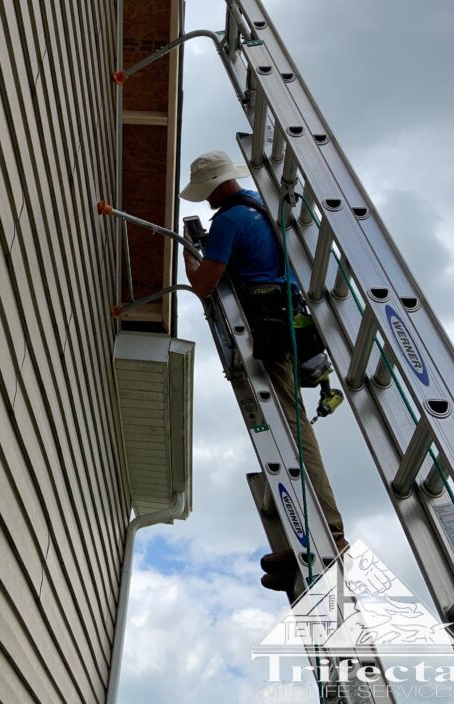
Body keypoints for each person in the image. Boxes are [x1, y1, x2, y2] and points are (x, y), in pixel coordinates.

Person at [180, 149, 348, 592]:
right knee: (287, 429)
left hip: (270, 330)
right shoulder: (260, 203)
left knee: (293, 429)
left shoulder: (231, 221)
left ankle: (328, 532)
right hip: (294, 320)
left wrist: (188, 253)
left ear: (213, 187)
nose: (205, 202)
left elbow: (203, 286)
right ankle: (307, 538)